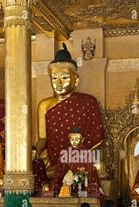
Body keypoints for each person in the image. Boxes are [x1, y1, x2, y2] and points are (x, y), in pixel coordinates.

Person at [36, 43, 104, 179]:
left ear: (76, 80)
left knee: (86, 171)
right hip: (54, 162)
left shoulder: (88, 102)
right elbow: (43, 139)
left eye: (65, 78)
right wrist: (33, 154)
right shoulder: (44, 105)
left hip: (80, 161)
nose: (59, 84)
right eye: (54, 78)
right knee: (39, 172)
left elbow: (96, 140)